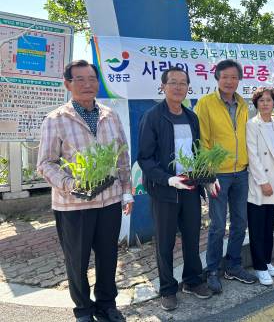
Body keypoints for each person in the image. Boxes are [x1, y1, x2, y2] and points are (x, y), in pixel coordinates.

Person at [37, 60, 133, 322]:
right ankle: (83, 310)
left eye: (92, 78)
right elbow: (45, 163)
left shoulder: (109, 115)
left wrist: (127, 190)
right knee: (76, 261)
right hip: (73, 206)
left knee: (108, 256)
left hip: (109, 200)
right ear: (67, 83)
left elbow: (121, 157)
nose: (88, 84)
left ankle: (107, 305)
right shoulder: (56, 119)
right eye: (80, 79)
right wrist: (70, 185)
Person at [137, 66, 214, 311]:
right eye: (173, 82)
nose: (178, 87)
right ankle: (167, 289)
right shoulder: (153, 116)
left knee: (192, 236)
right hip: (165, 190)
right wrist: (168, 179)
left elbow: (197, 153)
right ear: (163, 86)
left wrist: (206, 177)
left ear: (188, 87)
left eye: (183, 83)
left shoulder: (191, 117)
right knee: (165, 241)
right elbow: (145, 158)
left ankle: (192, 281)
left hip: (190, 187)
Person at [194, 59, 257, 293]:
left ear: (239, 80)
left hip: (241, 172)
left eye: (234, 77)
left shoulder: (242, 104)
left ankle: (233, 265)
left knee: (241, 222)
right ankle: (212, 270)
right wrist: (209, 173)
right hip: (218, 174)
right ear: (217, 78)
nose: (230, 81)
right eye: (225, 77)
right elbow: (202, 140)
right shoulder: (205, 103)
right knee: (218, 225)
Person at [246, 87, 274, 286]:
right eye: (261, 100)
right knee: (257, 226)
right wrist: (263, 182)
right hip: (259, 183)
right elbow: (252, 156)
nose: (266, 103)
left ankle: (267, 261)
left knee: (269, 225)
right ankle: (259, 267)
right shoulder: (252, 125)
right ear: (257, 104)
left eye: (269, 100)